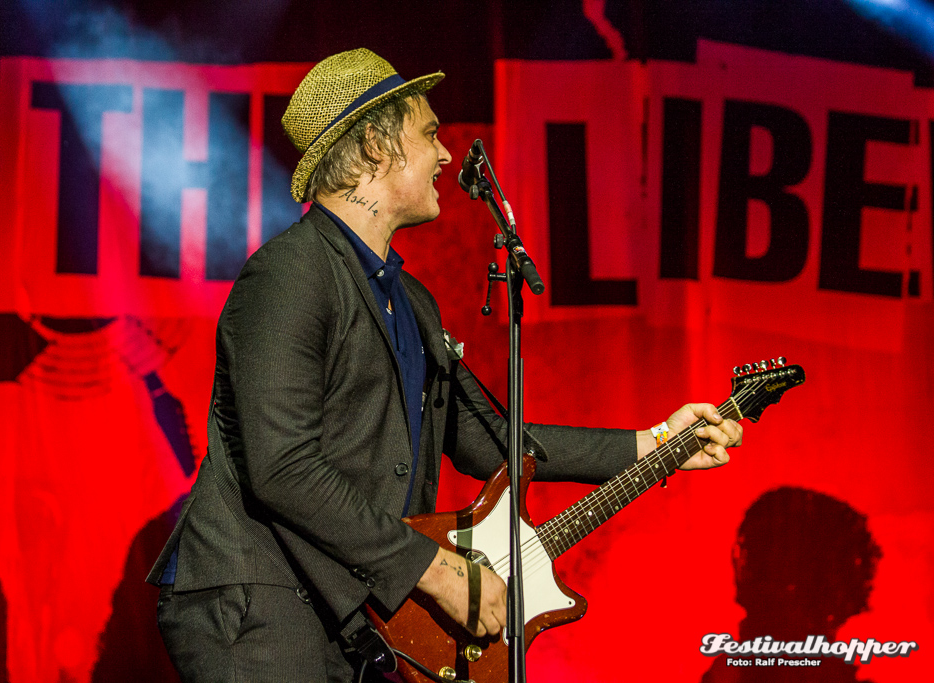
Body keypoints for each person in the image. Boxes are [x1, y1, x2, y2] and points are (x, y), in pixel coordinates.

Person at [148, 48, 743, 682]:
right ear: (376, 146)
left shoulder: (412, 302)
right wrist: (440, 572)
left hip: (347, 607)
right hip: (262, 598)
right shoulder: (290, 273)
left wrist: (655, 444)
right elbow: (282, 466)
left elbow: (491, 443)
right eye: (429, 133)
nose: (446, 155)